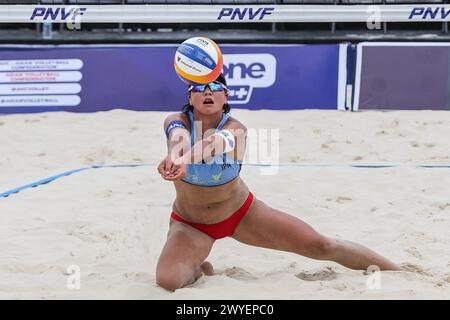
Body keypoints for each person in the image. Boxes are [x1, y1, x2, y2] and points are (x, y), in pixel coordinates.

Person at [156, 73, 401, 292]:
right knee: (167, 281)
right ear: (190, 97)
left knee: (321, 245)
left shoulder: (235, 129)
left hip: (241, 214)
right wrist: (175, 156)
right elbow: (179, 139)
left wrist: (185, 159)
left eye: (215, 86)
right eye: (199, 88)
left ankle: (397, 271)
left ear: (226, 96)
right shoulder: (177, 121)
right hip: (191, 223)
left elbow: (212, 144)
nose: (207, 92)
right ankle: (199, 268)